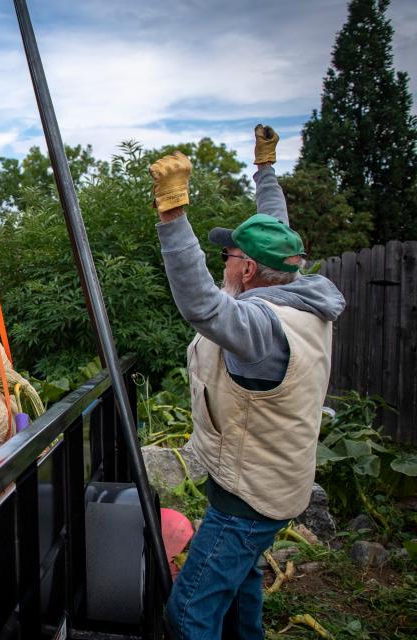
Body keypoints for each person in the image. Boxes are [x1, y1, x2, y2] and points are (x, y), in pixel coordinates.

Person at [150, 125, 345, 639]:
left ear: (250, 270)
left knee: (188, 613)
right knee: (240, 588)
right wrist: (265, 169)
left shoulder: (262, 329)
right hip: (271, 483)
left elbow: (202, 307)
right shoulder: (298, 292)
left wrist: (173, 217)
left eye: (230, 257)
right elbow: (274, 227)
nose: (225, 263)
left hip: (248, 500)